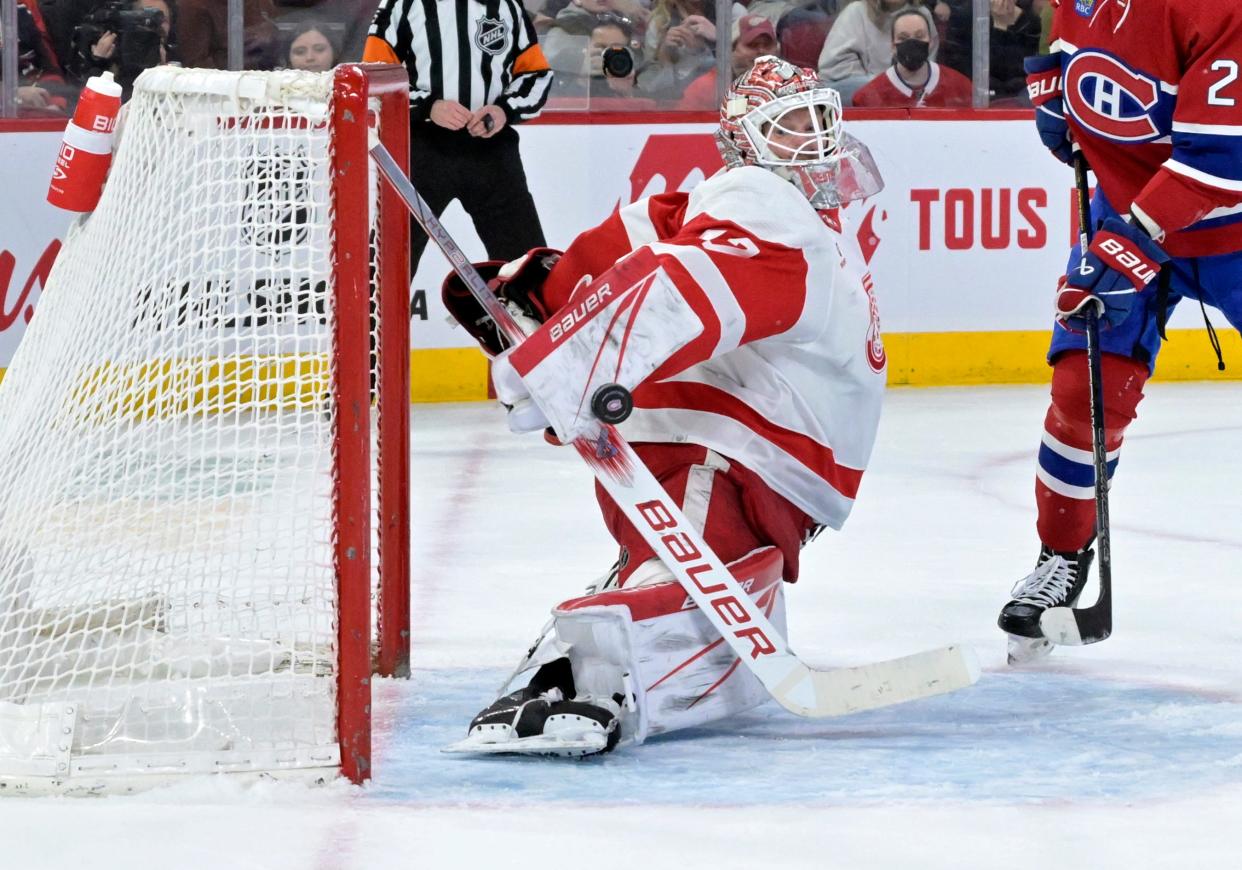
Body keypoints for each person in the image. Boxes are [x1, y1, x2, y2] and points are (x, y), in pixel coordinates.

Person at [441, 56, 888, 755]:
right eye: (790, 125)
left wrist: (548, 322)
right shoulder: (763, 202)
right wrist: (559, 343)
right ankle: (595, 673)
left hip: (732, 452)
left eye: (820, 120)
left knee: (670, 554)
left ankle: (570, 660)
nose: (816, 139)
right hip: (730, 455)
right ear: (746, 143)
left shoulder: (760, 212)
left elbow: (649, 253)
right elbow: (676, 280)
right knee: (687, 552)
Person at [998, 3, 1242, 663]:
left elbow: (1220, 165)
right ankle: (1061, 559)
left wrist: (1126, 247)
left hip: (1229, 227)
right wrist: (1056, 84)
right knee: (1082, 390)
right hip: (1126, 209)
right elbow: (1072, 32)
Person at [364, 0, 552, 276]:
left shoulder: (506, 5)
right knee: (387, 263)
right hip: (422, 149)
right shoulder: (402, 4)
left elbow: (535, 74)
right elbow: (373, 75)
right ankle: (371, 321)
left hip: (491, 150)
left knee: (526, 262)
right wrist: (428, 107)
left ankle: (529, 318)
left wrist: (503, 110)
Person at [851, 4, 970, 108]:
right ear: (893, 46)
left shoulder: (961, 88)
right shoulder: (868, 98)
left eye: (919, 36)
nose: (912, 42)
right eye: (903, 38)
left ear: (931, 42)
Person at [940, 0, 1040, 103]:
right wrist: (999, 26)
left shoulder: (1030, 22)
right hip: (972, 93)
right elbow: (958, 64)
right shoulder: (965, 16)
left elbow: (1022, 69)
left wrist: (1001, 26)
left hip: (1017, 94)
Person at [678, 13, 778, 109]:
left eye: (767, 45)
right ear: (732, 49)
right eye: (752, 45)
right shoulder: (705, 88)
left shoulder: (788, 86)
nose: (761, 51)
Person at [816, 0, 905, 104]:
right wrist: (879, 82)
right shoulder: (856, 11)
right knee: (874, 90)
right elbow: (833, 67)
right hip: (844, 84)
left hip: (900, 88)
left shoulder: (920, 14)